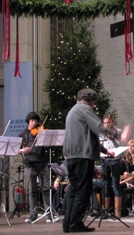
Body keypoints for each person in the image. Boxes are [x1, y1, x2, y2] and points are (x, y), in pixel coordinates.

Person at [62, 88, 122, 233]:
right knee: (84, 189)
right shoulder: (85, 109)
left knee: (74, 189)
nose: (94, 105)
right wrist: (113, 134)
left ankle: (67, 223)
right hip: (83, 156)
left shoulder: (72, 111)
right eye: (94, 102)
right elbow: (98, 127)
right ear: (91, 100)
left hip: (71, 156)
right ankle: (75, 223)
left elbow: (86, 135)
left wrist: (105, 150)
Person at [18, 111, 59, 223]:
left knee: (46, 189)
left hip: (43, 163)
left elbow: (49, 145)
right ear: (28, 122)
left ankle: (48, 214)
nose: (34, 123)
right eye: (32, 121)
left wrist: (47, 143)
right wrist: (23, 150)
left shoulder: (41, 132)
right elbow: (16, 149)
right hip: (29, 164)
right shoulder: (23, 135)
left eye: (36, 121)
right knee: (32, 190)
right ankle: (33, 214)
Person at [100, 113, 127, 219]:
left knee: (115, 184)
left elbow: (118, 145)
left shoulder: (118, 131)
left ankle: (117, 212)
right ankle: (106, 210)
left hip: (115, 159)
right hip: (105, 159)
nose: (107, 124)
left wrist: (111, 137)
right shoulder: (101, 131)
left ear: (112, 122)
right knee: (106, 184)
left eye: (108, 122)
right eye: (105, 123)